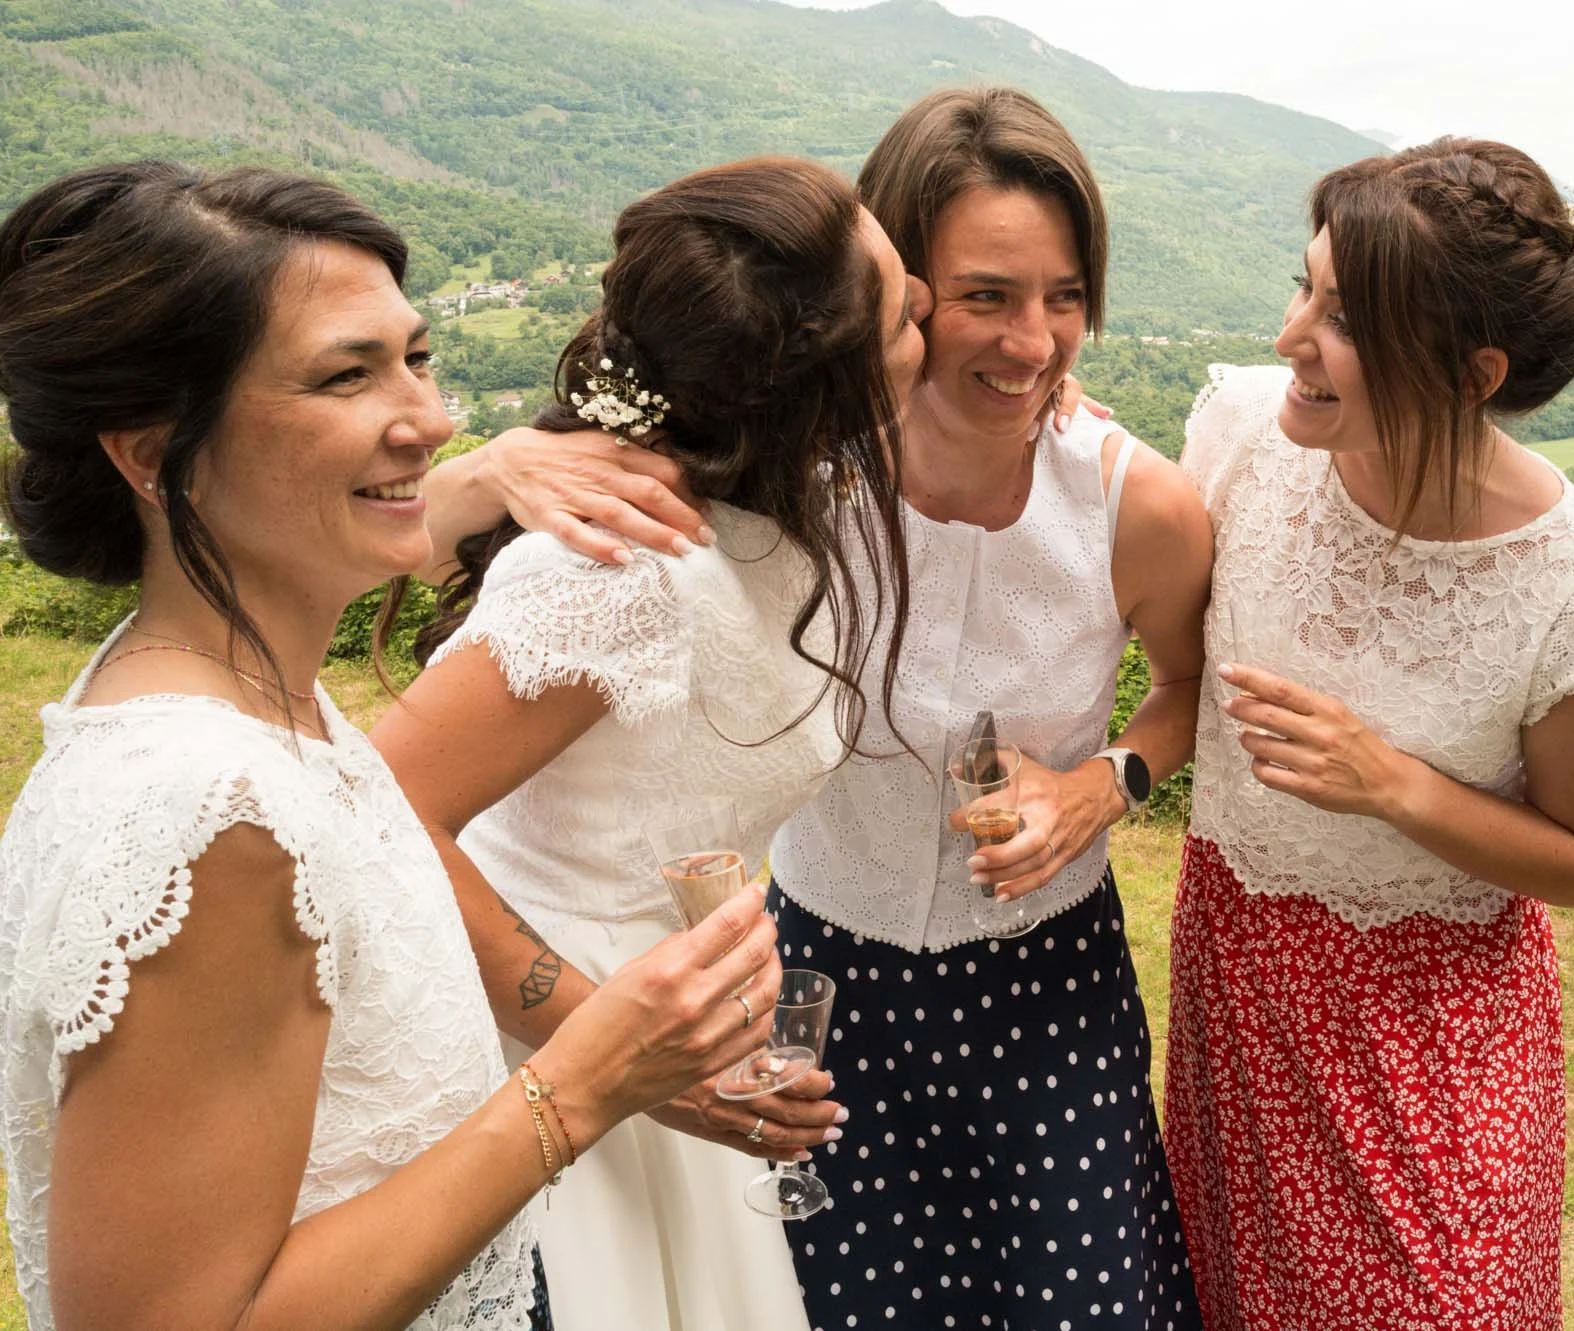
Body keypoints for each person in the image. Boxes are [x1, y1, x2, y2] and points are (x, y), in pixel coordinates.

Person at [421, 88, 1211, 1331]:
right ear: (853, 329)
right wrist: (483, 468)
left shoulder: (1121, 500)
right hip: (808, 981)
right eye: (971, 297)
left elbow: (1185, 685)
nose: (1032, 342)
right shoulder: (769, 492)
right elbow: (410, 762)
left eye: (1064, 297)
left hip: (1037, 988)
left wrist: (1101, 782)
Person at [0, 161, 780, 1331]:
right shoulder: (217, 817)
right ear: (153, 456)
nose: (432, 417)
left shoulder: (226, 681)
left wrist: (482, 475)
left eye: (415, 357)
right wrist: (588, 1076)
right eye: (345, 374)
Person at [370, 157, 929, 1331]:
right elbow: (377, 809)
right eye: (902, 313)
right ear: (820, 388)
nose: (923, 305)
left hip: (682, 1032)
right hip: (542, 1047)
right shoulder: (619, 573)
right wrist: (626, 1058)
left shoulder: (781, 503)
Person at [1166, 138, 1574, 1329]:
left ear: (1469, 373)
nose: (1290, 337)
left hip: (1428, 1039)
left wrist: (1392, 782)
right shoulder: (1241, 435)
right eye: (1302, 288)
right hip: (1237, 987)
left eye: (1342, 318)